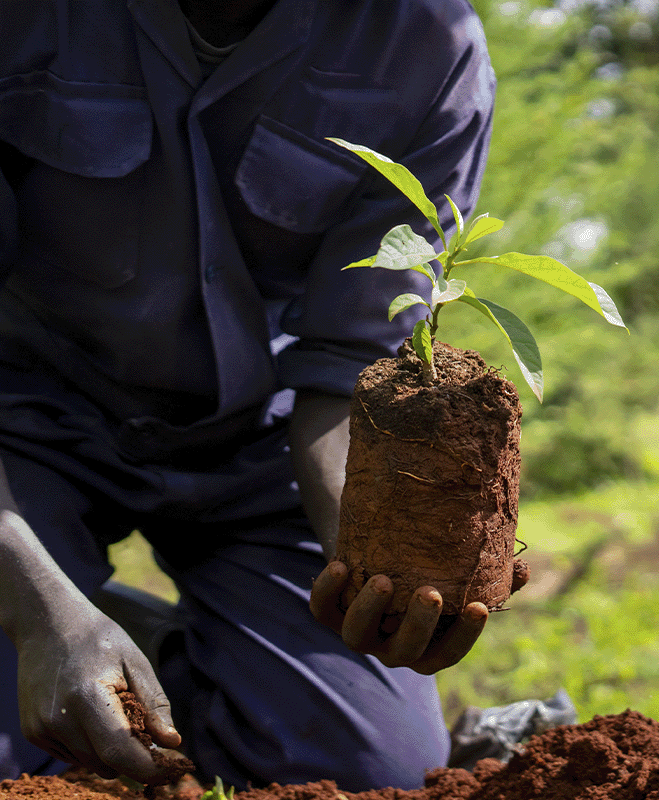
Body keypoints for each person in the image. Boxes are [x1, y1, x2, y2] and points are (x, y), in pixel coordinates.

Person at [0, 0, 496, 790]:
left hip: (262, 444)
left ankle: (151, 646)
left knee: (368, 773)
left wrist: (365, 554)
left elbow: (347, 367)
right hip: (25, 428)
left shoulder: (422, 42)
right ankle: (65, 610)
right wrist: (39, 616)